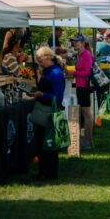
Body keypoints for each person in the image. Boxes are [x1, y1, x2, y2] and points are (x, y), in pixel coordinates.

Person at [29, 46, 65, 180]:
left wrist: (42, 94)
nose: (38, 62)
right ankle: (43, 171)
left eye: (40, 60)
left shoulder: (56, 73)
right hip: (42, 110)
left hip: (50, 113)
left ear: (47, 57)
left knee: (49, 143)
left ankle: (50, 173)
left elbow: (58, 97)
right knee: (41, 142)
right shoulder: (46, 71)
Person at [72, 34, 94, 151]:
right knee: (84, 113)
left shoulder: (86, 54)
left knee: (87, 114)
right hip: (80, 86)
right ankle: (87, 140)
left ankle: (88, 141)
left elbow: (86, 72)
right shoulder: (80, 54)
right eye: (74, 41)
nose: (75, 43)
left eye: (77, 41)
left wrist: (73, 73)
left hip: (84, 86)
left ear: (83, 43)